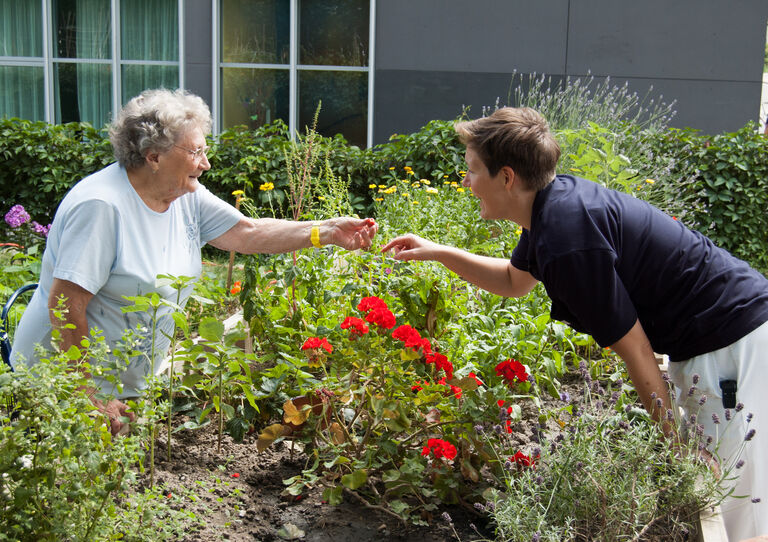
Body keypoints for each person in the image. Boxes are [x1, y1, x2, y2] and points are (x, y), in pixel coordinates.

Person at [381, 107, 768, 542]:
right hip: (719, 340)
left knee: (739, 511)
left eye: (472, 170)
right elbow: (513, 281)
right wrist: (435, 250)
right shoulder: (552, 207)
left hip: (730, 343)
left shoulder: (567, 239)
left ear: (506, 177)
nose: (467, 182)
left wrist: (675, 450)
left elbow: (636, 350)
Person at [12, 88, 378, 436]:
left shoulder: (183, 194)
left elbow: (248, 233)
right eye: (196, 152)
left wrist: (327, 230)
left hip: (120, 385)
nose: (205, 163)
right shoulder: (102, 207)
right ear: (153, 156)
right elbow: (65, 304)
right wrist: (86, 392)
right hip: (60, 384)